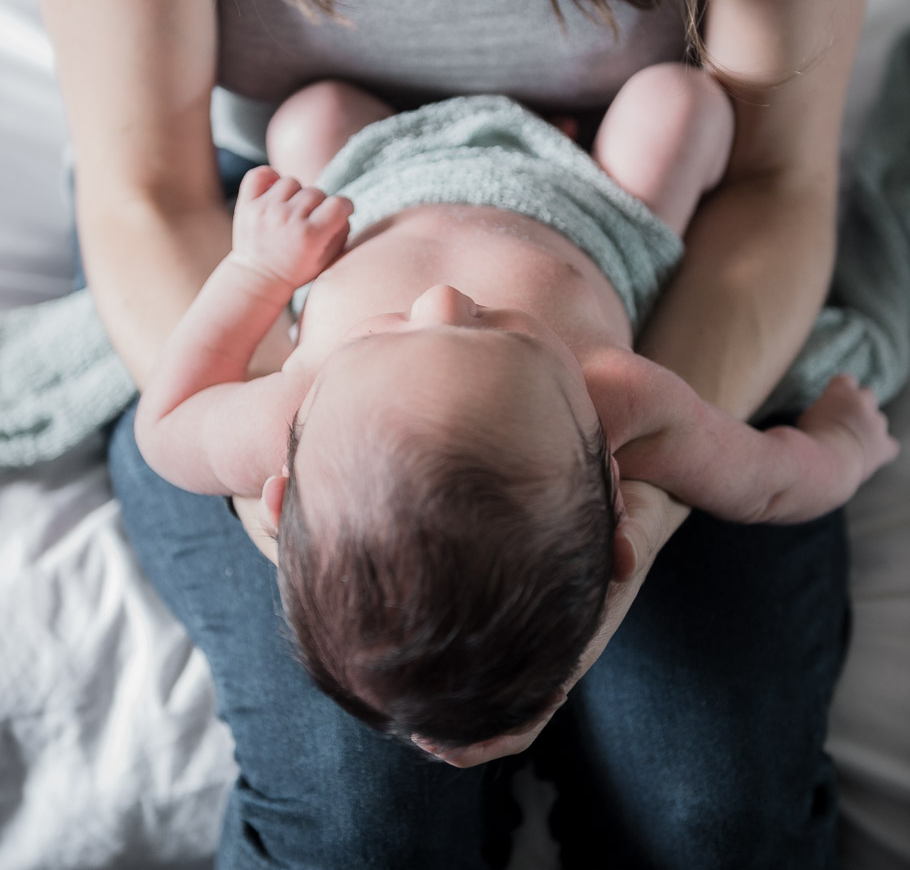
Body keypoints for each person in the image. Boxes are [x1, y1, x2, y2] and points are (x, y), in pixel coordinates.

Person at [1, 0, 910, 864]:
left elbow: (770, 180)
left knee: (711, 807)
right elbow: (146, 190)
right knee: (358, 815)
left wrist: (631, 483)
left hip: (651, 220)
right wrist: (329, 443)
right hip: (269, 202)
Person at [135, 70, 897, 752]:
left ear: (281, 489)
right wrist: (848, 447)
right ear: (608, 481)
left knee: (308, 114)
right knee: (680, 104)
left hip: (375, 184)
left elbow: (167, 423)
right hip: (589, 202)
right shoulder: (622, 399)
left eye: (389, 335)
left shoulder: (292, 417)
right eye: (496, 332)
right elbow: (767, 483)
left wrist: (257, 271)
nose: (442, 301)